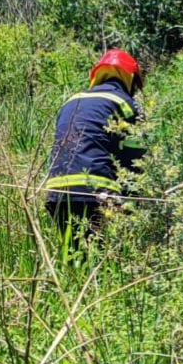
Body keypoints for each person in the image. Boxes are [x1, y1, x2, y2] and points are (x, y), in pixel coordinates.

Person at [43, 48, 146, 237]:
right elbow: (136, 161)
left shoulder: (71, 102)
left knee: (74, 253)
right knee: (107, 252)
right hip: (97, 193)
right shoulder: (125, 105)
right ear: (129, 79)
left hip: (56, 193)